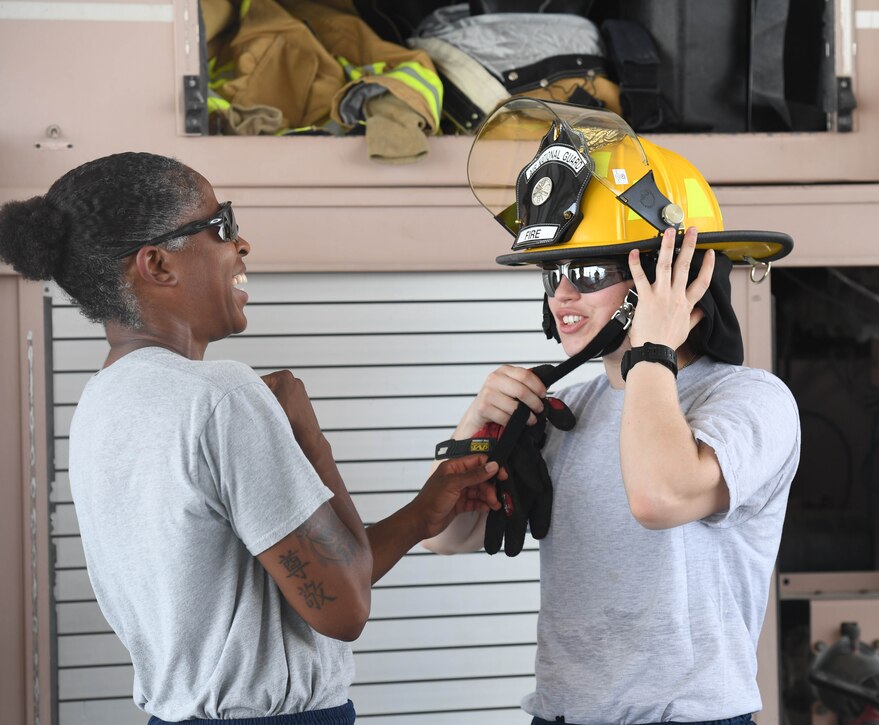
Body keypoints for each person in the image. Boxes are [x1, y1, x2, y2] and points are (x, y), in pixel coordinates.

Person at [0, 151, 500, 724]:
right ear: (158, 264)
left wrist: (418, 517)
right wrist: (310, 439)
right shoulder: (220, 397)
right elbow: (345, 607)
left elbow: (302, 581)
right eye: (222, 226)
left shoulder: (102, 402)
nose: (242, 245)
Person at [425, 99, 801, 724]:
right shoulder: (565, 405)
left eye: (590, 269)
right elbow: (446, 536)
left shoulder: (750, 400)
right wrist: (474, 437)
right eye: (553, 273)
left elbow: (660, 497)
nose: (564, 294)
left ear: (675, 277)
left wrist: (652, 348)